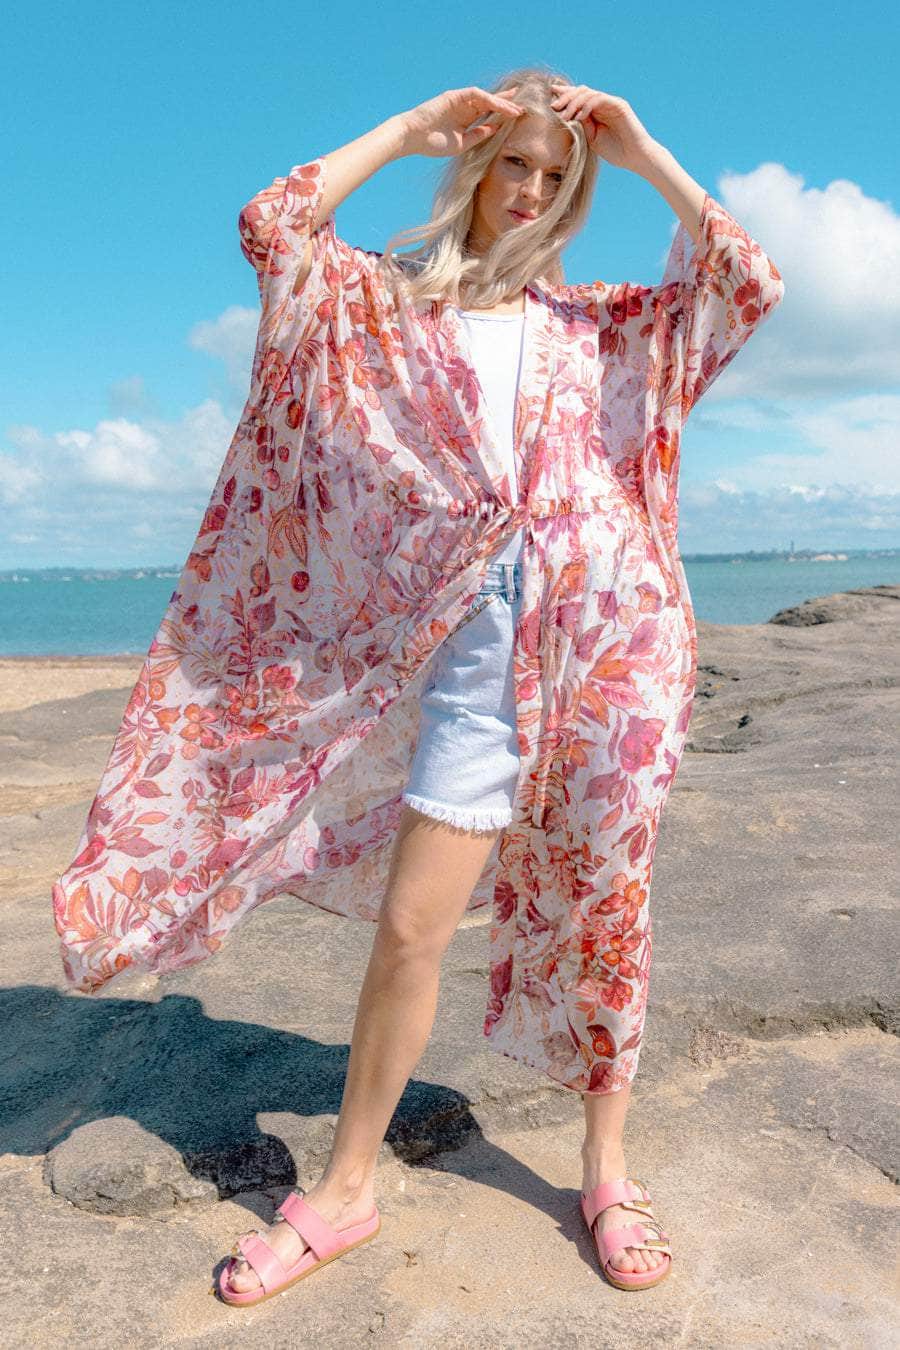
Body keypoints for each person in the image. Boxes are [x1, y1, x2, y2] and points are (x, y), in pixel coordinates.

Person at [51, 67, 784, 1302]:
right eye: (515, 164)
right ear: (480, 168)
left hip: (611, 657)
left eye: (557, 175)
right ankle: (345, 1190)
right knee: (410, 931)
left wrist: (643, 147)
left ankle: (606, 1172)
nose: (532, 190)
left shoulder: (600, 324)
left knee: (607, 912)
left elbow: (747, 281)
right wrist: (404, 131)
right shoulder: (392, 306)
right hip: (475, 668)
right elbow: (274, 225)